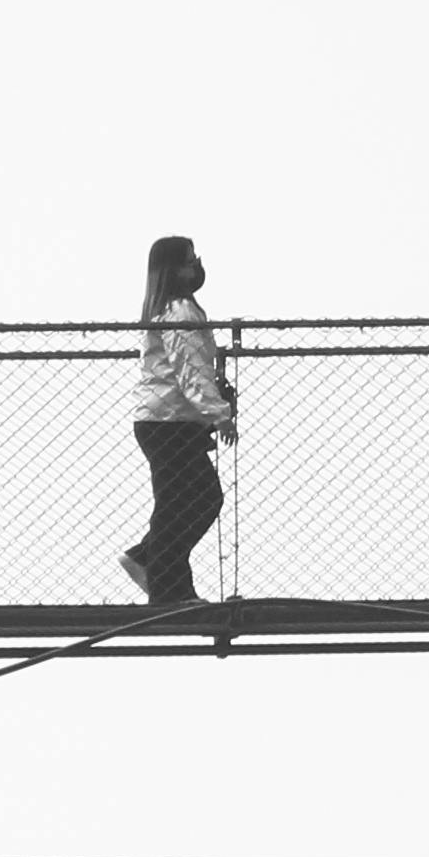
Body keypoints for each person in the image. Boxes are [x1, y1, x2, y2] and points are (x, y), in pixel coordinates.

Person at [122, 234, 234, 604]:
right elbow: (190, 370)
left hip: (168, 420)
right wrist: (219, 415)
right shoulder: (180, 313)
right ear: (174, 269)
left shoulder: (174, 310)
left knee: (182, 500)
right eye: (189, 260)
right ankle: (168, 588)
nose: (196, 266)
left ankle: (149, 562)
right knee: (194, 499)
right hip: (168, 421)